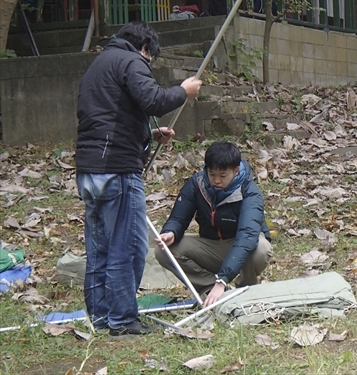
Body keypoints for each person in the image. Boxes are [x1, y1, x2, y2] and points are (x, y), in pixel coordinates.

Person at [76, 21, 203, 337]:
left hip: (90, 168)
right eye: (151, 58)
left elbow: (112, 113)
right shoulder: (132, 60)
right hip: (117, 168)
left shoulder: (99, 65)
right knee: (127, 246)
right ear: (145, 48)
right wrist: (183, 91)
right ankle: (122, 319)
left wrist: (149, 132)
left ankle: (102, 316)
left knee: (99, 248)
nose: (149, 63)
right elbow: (152, 100)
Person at [155, 141, 273, 307]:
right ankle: (211, 289)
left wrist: (222, 279)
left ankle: (246, 288)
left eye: (223, 176)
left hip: (240, 246)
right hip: (210, 247)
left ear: (236, 170)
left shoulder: (249, 191)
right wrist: (171, 232)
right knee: (164, 251)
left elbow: (247, 236)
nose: (216, 180)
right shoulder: (197, 184)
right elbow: (178, 219)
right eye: (212, 174)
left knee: (261, 248)